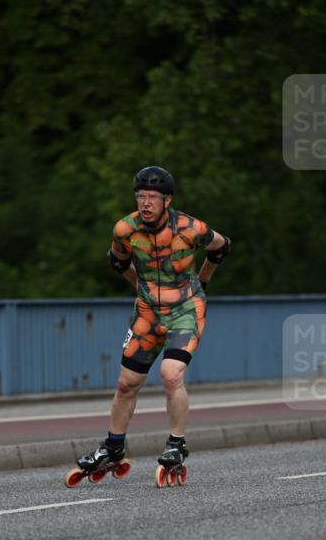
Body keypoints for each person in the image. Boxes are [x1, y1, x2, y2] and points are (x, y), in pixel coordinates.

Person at [77, 166, 231, 479]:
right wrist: (140, 288)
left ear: (167, 200)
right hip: (148, 312)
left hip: (185, 309)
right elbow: (117, 260)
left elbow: (221, 246)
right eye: (141, 196)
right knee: (127, 383)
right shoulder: (125, 229)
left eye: (153, 197)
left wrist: (203, 281)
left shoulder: (190, 227)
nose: (146, 203)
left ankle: (177, 443)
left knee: (170, 374)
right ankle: (113, 447)